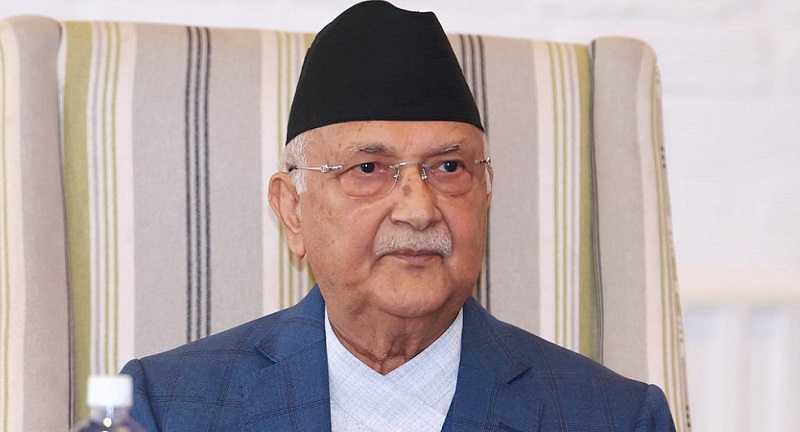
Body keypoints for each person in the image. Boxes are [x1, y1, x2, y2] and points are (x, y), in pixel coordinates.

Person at [121, 1, 677, 431]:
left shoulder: (614, 417)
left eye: (449, 167)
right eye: (368, 168)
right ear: (293, 211)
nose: (418, 210)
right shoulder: (163, 407)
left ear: (486, 193)